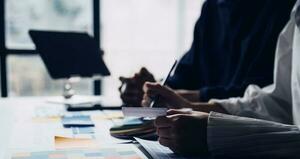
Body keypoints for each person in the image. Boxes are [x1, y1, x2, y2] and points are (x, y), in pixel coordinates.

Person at [152, 0, 300, 159]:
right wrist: (190, 106)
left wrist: (215, 133)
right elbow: (280, 102)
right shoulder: (296, 11)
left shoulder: (280, 8)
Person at [119, 0, 295, 107]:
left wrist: (180, 96)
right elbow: (187, 75)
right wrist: (153, 88)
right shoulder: (212, 7)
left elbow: (263, 96)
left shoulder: (282, 9)